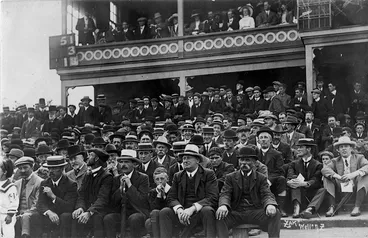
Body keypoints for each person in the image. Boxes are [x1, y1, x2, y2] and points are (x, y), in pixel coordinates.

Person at [215, 146, 281, 238]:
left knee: (276, 213)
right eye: (241, 160)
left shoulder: (261, 178)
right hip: (236, 212)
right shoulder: (230, 177)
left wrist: (270, 204)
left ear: (254, 162)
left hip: (254, 212)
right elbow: (226, 193)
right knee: (220, 215)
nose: (244, 163)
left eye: (247, 160)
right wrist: (223, 205)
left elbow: (267, 194)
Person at [159, 144, 218, 238]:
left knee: (208, 210)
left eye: (188, 158)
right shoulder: (178, 176)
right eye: (184, 158)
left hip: (200, 212)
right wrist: (179, 210)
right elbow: (171, 197)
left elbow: (212, 197)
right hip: (182, 212)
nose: (185, 161)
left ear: (197, 160)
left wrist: (192, 209)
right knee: (164, 212)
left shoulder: (208, 174)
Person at [104, 149, 150, 238]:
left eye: (127, 162)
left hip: (137, 211)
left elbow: (142, 200)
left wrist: (130, 186)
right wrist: (120, 189)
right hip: (121, 212)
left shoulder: (143, 178)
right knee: (108, 218)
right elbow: (112, 202)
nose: (123, 165)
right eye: (121, 162)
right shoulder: (116, 179)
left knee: (134, 219)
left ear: (134, 164)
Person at [31, 156, 77, 238]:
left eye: (55, 168)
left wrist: (53, 197)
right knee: (35, 216)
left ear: (62, 168)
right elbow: (40, 203)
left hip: (63, 215)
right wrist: (48, 212)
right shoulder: (45, 183)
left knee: (65, 216)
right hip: (50, 214)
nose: (51, 171)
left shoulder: (71, 184)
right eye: (49, 168)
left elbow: (69, 206)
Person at [71, 148, 113, 238]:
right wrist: (80, 208)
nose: (87, 158)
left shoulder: (107, 176)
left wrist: (90, 212)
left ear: (97, 158)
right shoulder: (87, 175)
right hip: (88, 208)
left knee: (97, 219)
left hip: (100, 210)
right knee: (75, 216)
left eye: (90, 155)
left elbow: (103, 199)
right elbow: (81, 195)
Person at [322, 136, 368, 217]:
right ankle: (331, 207)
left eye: (346, 146)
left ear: (351, 148)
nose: (343, 149)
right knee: (327, 177)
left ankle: (357, 207)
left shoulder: (359, 158)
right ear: (338, 150)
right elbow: (325, 169)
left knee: (364, 175)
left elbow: (367, 166)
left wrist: (353, 174)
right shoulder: (335, 160)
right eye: (341, 147)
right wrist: (338, 176)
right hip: (340, 186)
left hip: (356, 186)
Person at [287, 139, 323, 218]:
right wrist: (291, 181)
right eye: (298, 147)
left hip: (311, 193)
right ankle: (296, 208)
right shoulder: (294, 164)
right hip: (298, 193)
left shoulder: (318, 165)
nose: (298, 149)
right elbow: (290, 175)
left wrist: (304, 183)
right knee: (294, 185)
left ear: (309, 149)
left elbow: (316, 180)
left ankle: (309, 209)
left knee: (322, 190)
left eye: (301, 147)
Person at [257, 127, 287, 217]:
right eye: (261, 138)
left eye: (266, 138)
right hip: (256, 179)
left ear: (270, 140)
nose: (263, 140)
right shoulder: (254, 154)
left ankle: (280, 207)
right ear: (258, 141)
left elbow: (280, 171)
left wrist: (269, 179)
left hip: (272, 181)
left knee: (281, 179)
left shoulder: (277, 154)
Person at [14, 157, 43, 238]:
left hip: (33, 214)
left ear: (32, 167)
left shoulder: (40, 182)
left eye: (25, 167)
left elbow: (37, 204)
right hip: (17, 213)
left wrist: (23, 214)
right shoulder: (17, 183)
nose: (23, 170)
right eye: (20, 168)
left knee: (25, 217)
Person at [146, 167, 171, 238]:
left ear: (167, 179)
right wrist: (159, 196)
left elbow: (171, 205)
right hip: (156, 215)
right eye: (157, 179)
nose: (160, 181)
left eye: (162, 179)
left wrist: (164, 196)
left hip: (168, 215)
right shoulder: (152, 192)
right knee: (154, 212)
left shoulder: (172, 190)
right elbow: (153, 208)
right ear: (154, 180)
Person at [0, 157, 19, 238]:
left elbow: (14, 202)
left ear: (5, 172)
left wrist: (10, 215)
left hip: (6, 215)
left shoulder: (10, 187)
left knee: (7, 233)